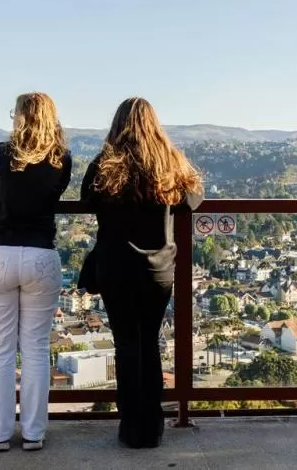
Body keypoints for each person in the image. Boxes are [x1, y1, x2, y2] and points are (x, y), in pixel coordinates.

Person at [81, 97, 203, 449]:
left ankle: (131, 426)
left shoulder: (105, 164)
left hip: (115, 268)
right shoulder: (169, 164)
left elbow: (87, 199)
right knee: (149, 344)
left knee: (125, 345)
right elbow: (194, 199)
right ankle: (152, 426)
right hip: (157, 270)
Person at [0, 92, 72, 452]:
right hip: (40, 254)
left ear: (17, 116)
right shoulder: (62, 158)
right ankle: (33, 433)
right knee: (35, 348)